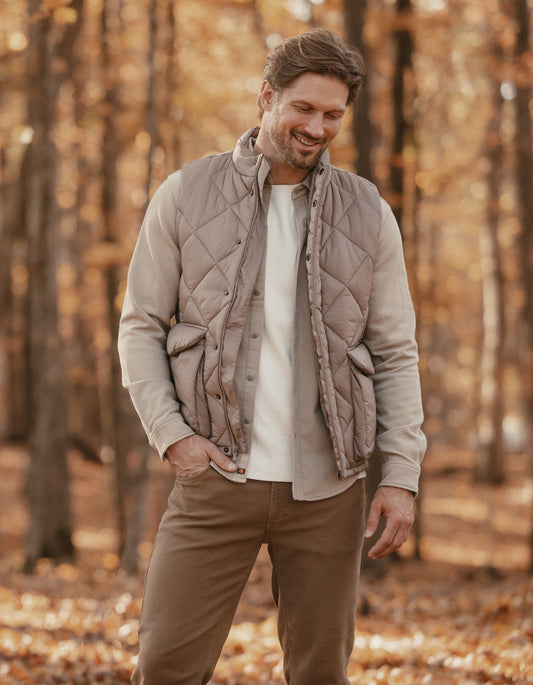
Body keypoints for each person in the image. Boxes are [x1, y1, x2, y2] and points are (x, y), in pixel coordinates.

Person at [118, 28, 426, 685]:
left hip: (328, 488)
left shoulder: (368, 212)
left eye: (332, 115)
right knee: (165, 665)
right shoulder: (184, 194)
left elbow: (395, 350)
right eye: (303, 109)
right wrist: (173, 437)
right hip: (214, 479)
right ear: (265, 96)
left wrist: (399, 472)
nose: (317, 127)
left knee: (319, 672)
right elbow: (139, 325)